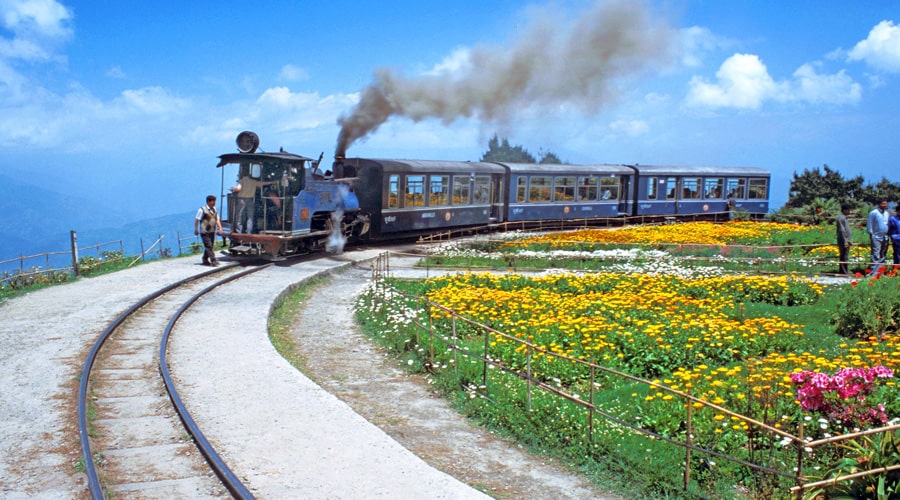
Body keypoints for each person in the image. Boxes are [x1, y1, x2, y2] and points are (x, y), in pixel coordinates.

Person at [194, 195, 223, 266]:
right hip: (204, 231)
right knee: (208, 246)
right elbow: (197, 219)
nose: (214, 203)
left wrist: (220, 227)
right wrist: (196, 229)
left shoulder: (214, 210)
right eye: (213, 201)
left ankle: (204, 258)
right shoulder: (202, 210)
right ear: (209, 202)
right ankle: (213, 260)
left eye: (214, 201)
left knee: (210, 246)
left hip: (212, 231)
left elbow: (217, 219)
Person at [866, 198, 890, 275]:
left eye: (886, 204)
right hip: (876, 237)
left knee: (883, 254)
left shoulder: (887, 213)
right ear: (879, 204)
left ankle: (881, 272)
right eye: (883, 204)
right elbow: (870, 225)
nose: (885, 205)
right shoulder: (873, 213)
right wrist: (871, 235)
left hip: (885, 237)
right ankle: (874, 272)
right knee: (876, 254)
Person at [835, 203, 853, 274]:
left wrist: (848, 240)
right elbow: (842, 230)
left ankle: (843, 271)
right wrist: (845, 241)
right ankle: (844, 272)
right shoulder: (841, 218)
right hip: (843, 241)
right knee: (844, 256)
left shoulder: (844, 218)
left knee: (845, 256)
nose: (849, 212)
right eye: (848, 210)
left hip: (845, 240)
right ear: (844, 210)